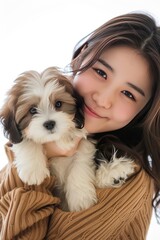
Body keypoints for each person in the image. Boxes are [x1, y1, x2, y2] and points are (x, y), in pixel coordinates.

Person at [0, 12, 160, 240]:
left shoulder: (127, 179)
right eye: (101, 72)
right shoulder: (43, 143)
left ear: (144, 111)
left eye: (128, 93)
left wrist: (34, 179)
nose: (103, 100)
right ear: (81, 58)